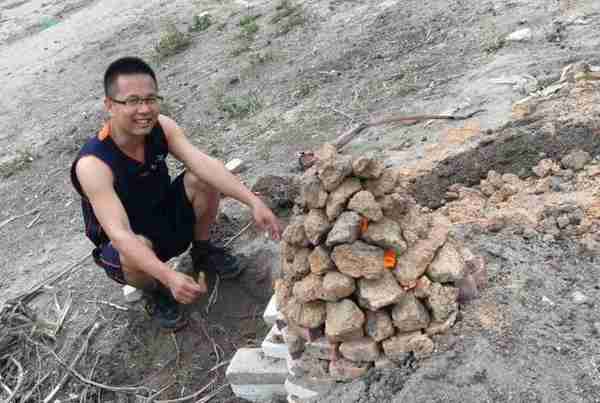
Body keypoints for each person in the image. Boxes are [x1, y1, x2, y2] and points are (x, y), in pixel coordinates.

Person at [71, 56, 282, 330]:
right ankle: (155, 291)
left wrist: (253, 201)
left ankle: (203, 251)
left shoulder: (162, 128)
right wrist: (168, 276)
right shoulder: (93, 164)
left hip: (164, 216)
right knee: (131, 251)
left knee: (204, 177)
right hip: (130, 242)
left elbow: (203, 164)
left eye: (151, 99)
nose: (145, 109)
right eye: (132, 101)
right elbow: (120, 235)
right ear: (109, 106)